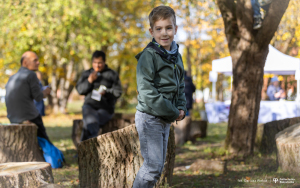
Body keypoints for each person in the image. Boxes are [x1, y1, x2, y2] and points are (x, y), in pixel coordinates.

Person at [133, 6, 187, 187]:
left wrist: (181, 107)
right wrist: (173, 112)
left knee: (157, 167)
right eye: (159, 29)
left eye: (169, 28)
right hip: (150, 117)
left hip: (165, 117)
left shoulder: (176, 55)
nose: (164, 33)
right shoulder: (149, 56)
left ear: (175, 29)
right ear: (151, 31)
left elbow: (180, 85)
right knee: (152, 167)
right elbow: (147, 92)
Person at [76, 50, 122, 142]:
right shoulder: (87, 74)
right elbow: (80, 90)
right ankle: (93, 144)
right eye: (95, 63)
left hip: (106, 108)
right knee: (90, 118)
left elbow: (118, 92)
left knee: (90, 123)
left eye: (100, 63)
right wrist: (89, 81)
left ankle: (83, 151)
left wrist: (107, 92)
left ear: (104, 62)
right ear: (92, 62)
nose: (97, 65)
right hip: (90, 107)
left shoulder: (111, 74)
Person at [5, 51, 51, 141]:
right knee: (45, 140)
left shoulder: (12, 77)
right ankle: (53, 154)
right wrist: (46, 92)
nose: (38, 63)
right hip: (29, 117)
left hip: (12, 118)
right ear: (25, 62)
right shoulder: (31, 75)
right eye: (35, 60)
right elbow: (38, 97)